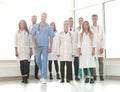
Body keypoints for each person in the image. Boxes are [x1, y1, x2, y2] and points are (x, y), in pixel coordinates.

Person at [30, 13, 55, 84]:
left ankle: (44, 77)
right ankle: (44, 73)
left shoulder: (49, 27)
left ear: (46, 18)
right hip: (37, 46)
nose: (43, 18)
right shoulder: (36, 26)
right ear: (40, 17)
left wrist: (50, 47)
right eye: (42, 16)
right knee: (37, 60)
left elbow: (51, 37)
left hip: (45, 46)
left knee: (44, 61)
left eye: (45, 17)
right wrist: (34, 44)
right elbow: (32, 35)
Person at [91, 14, 105, 81]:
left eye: (95, 18)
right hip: (93, 48)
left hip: (100, 47)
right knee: (93, 62)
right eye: (93, 19)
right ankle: (94, 75)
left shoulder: (101, 27)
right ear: (92, 19)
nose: (94, 20)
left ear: (97, 19)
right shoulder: (90, 28)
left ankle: (101, 75)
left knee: (101, 62)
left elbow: (103, 38)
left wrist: (102, 47)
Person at [29, 15, 39, 79]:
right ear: (31, 19)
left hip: (36, 47)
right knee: (27, 61)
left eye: (35, 19)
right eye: (33, 19)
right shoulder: (29, 27)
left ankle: (36, 75)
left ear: (36, 20)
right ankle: (26, 75)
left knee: (36, 62)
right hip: (30, 47)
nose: (34, 20)